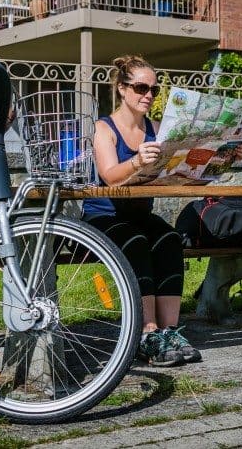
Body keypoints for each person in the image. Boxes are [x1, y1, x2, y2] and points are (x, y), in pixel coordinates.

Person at [81, 55, 198, 367]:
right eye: (141, 88)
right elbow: (109, 175)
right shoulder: (103, 129)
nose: (148, 95)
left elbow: (180, 173)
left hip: (139, 215)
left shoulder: (156, 129)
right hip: (103, 216)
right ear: (122, 88)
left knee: (170, 239)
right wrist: (136, 161)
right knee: (136, 242)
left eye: (154, 90)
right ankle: (147, 333)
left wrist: (218, 158)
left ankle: (170, 331)